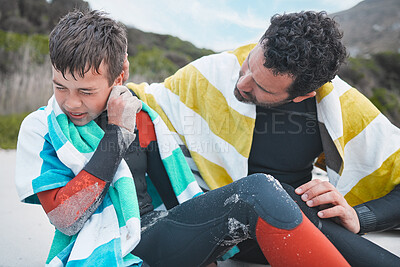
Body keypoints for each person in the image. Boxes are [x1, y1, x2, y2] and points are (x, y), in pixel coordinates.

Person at [15, 10, 353, 267]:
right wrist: (117, 135)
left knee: (289, 206)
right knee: (257, 191)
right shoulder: (42, 128)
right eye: (60, 86)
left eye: (86, 91)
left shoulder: (144, 117)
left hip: (160, 232)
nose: (71, 102)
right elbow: (66, 219)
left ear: (120, 75)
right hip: (118, 246)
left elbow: (177, 195)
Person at [126, 11, 400, 266]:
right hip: (214, 222)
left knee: (288, 198)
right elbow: (141, 102)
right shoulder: (210, 75)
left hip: (291, 226)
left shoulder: (338, 107)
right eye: (248, 66)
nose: (242, 84)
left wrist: (360, 217)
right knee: (264, 192)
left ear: (302, 96)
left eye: (261, 87)